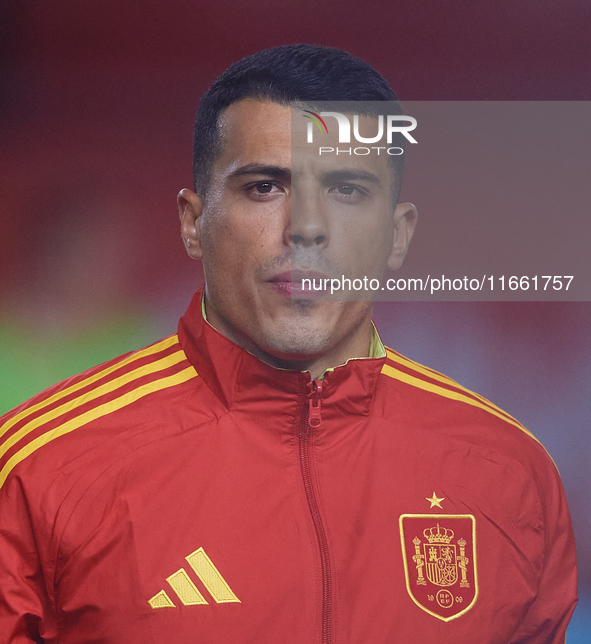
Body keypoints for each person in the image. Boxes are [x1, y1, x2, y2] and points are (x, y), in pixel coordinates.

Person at [0, 45, 577, 643]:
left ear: (397, 237)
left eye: (348, 190)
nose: (305, 225)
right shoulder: (39, 473)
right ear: (192, 223)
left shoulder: (511, 474)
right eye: (264, 187)